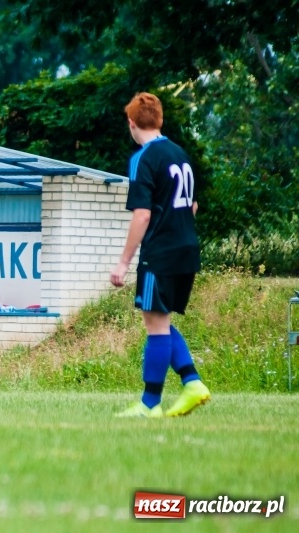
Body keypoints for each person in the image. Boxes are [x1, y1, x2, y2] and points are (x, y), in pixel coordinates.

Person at [110, 92, 211, 418]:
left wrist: (124, 261)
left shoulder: (144, 157)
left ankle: (149, 403)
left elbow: (142, 215)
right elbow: (192, 206)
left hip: (160, 253)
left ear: (131, 122)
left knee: (155, 324)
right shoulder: (180, 153)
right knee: (160, 319)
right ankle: (192, 383)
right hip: (187, 250)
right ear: (160, 120)